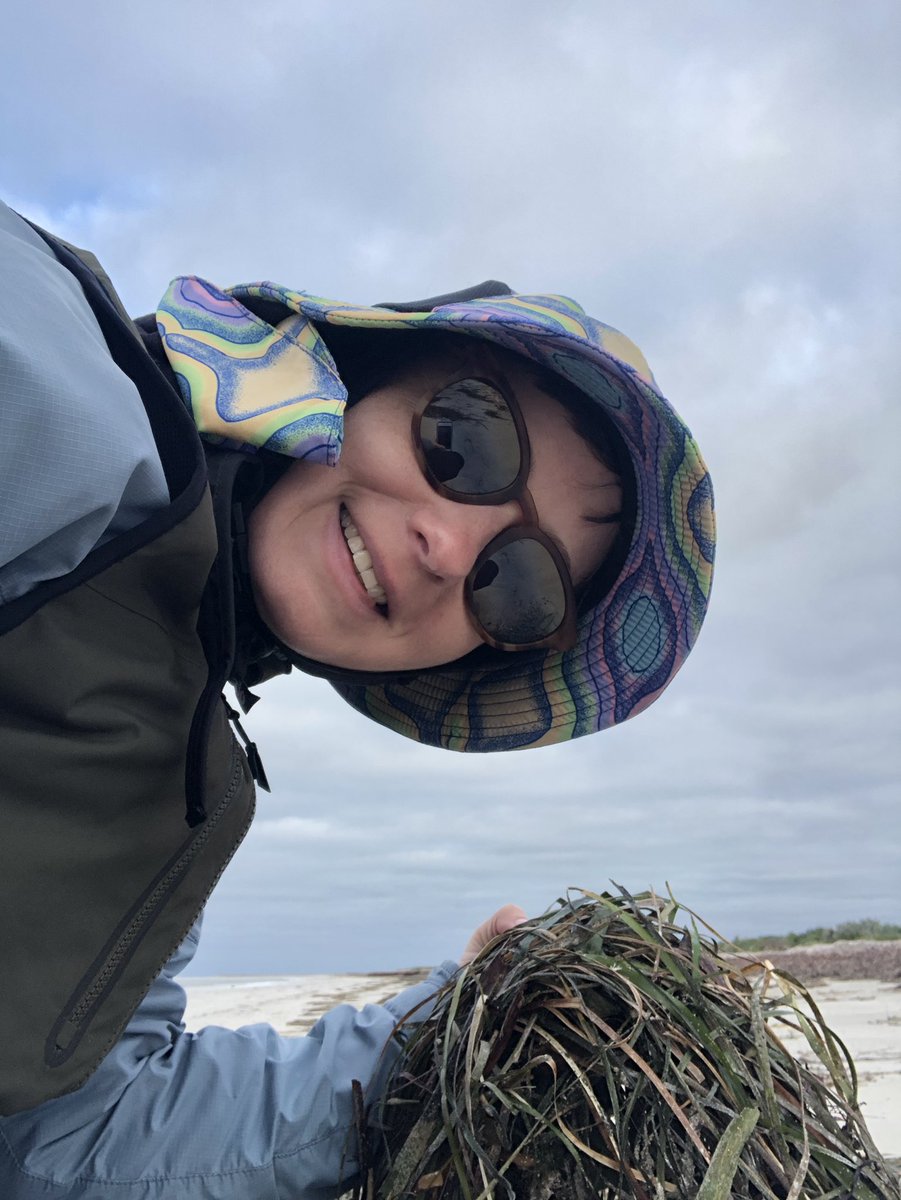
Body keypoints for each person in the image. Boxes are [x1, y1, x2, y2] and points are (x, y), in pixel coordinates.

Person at [0, 199, 715, 1198]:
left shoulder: (180, 782)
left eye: (521, 583)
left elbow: (71, 1140)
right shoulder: (64, 390)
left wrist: (462, 1022)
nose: (452, 546)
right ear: (356, 376)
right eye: (465, 438)